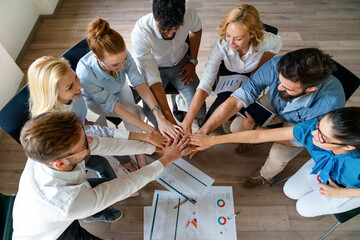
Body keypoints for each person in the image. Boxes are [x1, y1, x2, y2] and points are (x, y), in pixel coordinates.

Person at [12, 111, 191, 239]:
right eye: (84, 143)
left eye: (84, 132)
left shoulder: (49, 150)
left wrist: (155, 148)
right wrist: (167, 160)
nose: (90, 139)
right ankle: (89, 212)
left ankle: (90, 213)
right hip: (50, 234)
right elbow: (125, 185)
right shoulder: (69, 203)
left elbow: (106, 144)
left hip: (57, 208)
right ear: (60, 163)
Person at [196, 48, 346, 188]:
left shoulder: (328, 108)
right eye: (279, 81)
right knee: (236, 127)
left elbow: (296, 141)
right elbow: (239, 98)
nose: (279, 87)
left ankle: (265, 176)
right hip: (274, 104)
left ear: (311, 89)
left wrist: (256, 130)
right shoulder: (279, 64)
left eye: (287, 87)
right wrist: (204, 131)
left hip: (298, 126)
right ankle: (251, 140)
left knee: (278, 156)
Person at [190, 107, 360, 217]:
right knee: (290, 190)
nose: (313, 134)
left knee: (303, 209)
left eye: (323, 137)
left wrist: (342, 194)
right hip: (323, 169)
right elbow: (260, 136)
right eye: (318, 125)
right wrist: (212, 141)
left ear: (349, 147)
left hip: (349, 188)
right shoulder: (313, 129)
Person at [28, 56, 165, 177]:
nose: (79, 87)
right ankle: (126, 163)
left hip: (84, 131)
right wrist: (146, 138)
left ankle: (127, 161)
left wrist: (85, 123)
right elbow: (105, 139)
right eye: (70, 87)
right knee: (105, 153)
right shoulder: (58, 121)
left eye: (76, 77)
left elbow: (95, 130)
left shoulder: (71, 96)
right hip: (72, 157)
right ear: (52, 93)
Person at [77, 18, 180, 167]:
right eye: (115, 64)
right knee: (132, 113)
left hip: (119, 87)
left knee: (135, 113)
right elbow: (119, 110)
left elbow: (139, 82)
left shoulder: (122, 54)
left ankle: (141, 145)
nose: (121, 66)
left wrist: (160, 117)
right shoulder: (85, 73)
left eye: (124, 60)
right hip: (96, 101)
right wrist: (151, 132)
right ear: (98, 58)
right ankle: (140, 155)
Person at [181, 4, 282, 134]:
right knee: (212, 116)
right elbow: (205, 83)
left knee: (239, 108)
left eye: (238, 38)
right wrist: (187, 121)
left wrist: (260, 65)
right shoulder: (222, 44)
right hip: (228, 71)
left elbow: (277, 45)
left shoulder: (266, 40)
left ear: (252, 34)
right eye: (228, 35)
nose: (231, 43)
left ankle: (231, 118)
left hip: (250, 72)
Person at [131, 0, 206, 123]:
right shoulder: (141, 33)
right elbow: (152, 77)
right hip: (155, 68)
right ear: (155, 16)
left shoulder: (188, 10)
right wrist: (169, 118)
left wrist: (192, 61)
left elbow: (196, 30)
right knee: (153, 114)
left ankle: (177, 100)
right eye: (165, 29)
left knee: (200, 111)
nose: (169, 34)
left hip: (181, 62)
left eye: (175, 29)